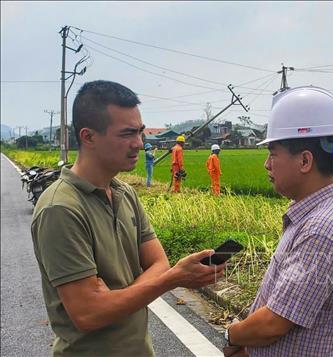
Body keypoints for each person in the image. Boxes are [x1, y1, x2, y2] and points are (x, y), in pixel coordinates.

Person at [30, 80, 221, 356]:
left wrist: (113, 296)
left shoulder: (125, 193)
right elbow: (89, 314)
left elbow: (159, 262)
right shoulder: (60, 209)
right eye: (127, 134)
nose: (139, 143)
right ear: (88, 137)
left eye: (140, 132)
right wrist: (168, 280)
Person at [223, 86, 333, 357]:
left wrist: (231, 334)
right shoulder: (316, 214)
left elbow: (274, 323)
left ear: (305, 160)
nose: (267, 164)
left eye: (273, 153)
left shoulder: (322, 229)